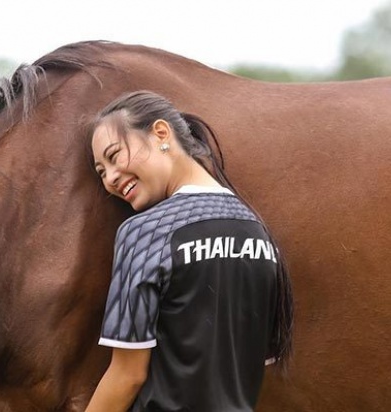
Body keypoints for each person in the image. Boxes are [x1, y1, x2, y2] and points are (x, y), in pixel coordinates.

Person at [85, 91, 293, 412]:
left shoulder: (144, 232)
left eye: (114, 156)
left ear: (161, 133)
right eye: (101, 172)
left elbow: (128, 375)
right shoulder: (259, 233)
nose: (110, 178)